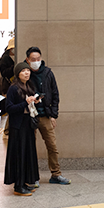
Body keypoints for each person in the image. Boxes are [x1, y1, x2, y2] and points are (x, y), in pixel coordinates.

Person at [14, 47, 70, 185]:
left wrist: (53, 115)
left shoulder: (47, 73)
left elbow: (55, 94)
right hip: (29, 116)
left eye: (38, 59)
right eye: (33, 60)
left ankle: (56, 174)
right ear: (27, 60)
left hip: (45, 115)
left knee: (52, 146)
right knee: (29, 147)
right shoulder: (23, 73)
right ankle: (32, 177)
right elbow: (17, 94)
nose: (36, 62)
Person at [4, 66, 40, 195]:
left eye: (28, 71)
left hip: (27, 123)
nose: (27, 73)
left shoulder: (29, 86)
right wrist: (25, 103)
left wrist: (35, 101)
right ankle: (18, 186)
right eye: (23, 71)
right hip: (18, 126)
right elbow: (9, 108)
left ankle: (24, 182)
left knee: (27, 153)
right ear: (18, 74)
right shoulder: (14, 88)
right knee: (19, 154)